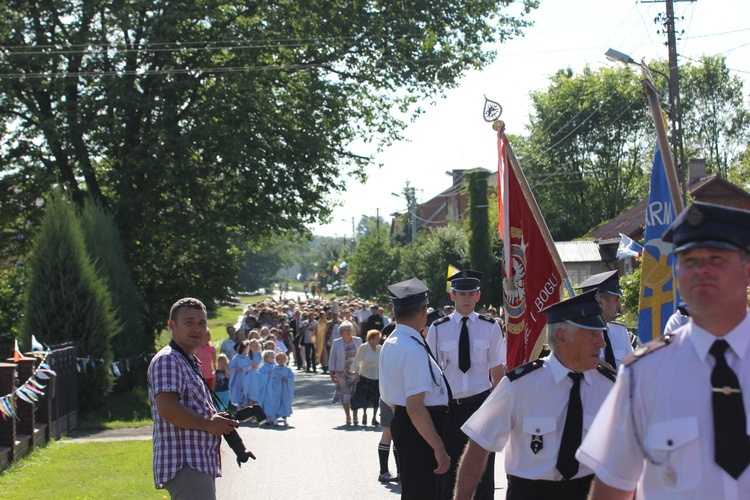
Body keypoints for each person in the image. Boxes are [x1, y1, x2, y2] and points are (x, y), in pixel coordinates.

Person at [579, 201, 750, 499]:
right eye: (689, 261)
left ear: (747, 269)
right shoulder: (643, 374)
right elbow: (612, 487)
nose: (701, 270)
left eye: (715, 258)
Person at [454, 290, 615, 500]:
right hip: (531, 492)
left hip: (589, 491)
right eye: (592, 335)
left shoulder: (610, 387)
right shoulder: (520, 385)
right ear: (562, 337)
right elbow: (478, 448)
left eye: (600, 334)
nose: (601, 343)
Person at [426, 269, 507, 499]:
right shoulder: (439, 328)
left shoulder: (490, 327)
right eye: (462, 294)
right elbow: (432, 375)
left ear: (478, 296)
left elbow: (498, 373)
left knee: (483, 471)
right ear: (452, 296)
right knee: (448, 469)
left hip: (481, 405)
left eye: (471, 293)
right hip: (450, 407)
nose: (467, 298)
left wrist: (498, 412)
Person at [147, 297, 238, 498]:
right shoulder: (168, 360)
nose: (197, 329)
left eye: (201, 323)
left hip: (196, 462)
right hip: (185, 462)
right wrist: (209, 424)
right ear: (172, 325)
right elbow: (168, 408)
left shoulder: (186, 359)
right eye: (189, 323)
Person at [379, 278, 450, 499]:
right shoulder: (412, 348)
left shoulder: (393, 341)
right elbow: (416, 408)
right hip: (420, 426)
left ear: (394, 310)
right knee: (425, 492)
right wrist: (438, 447)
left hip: (406, 423)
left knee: (415, 491)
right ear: (422, 312)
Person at [577, 269, 634, 369]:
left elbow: (633, 369)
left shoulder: (620, 331)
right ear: (601, 303)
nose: (619, 305)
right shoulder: (578, 336)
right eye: (616, 300)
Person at [329, 320, 363, 425]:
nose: (348, 332)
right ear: (341, 332)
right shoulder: (337, 343)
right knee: (345, 395)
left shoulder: (358, 341)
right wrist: (331, 373)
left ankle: (355, 416)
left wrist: (361, 371)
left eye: (350, 330)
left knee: (355, 395)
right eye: (346, 330)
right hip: (341, 372)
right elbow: (332, 358)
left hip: (355, 372)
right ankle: (348, 416)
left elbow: (362, 357)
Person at [352, 329, 383, 426]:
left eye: (379, 339)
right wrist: (356, 373)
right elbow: (356, 361)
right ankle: (364, 415)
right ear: (371, 339)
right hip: (365, 376)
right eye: (376, 339)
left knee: (376, 398)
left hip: (377, 377)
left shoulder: (380, 348)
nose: (378, 341)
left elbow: (382, 362)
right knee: (364, 398)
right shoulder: (364, 347)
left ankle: (374, 417)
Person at [265, 352, 295, 426]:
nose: (281, 360)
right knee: (276, 403)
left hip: (285, 390)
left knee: (285, 403)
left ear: (285, 359)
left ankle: (285, 419)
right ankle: (275, 419)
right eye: (279, 359)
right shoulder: (275, 369)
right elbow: (273, 379)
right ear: (277, 360)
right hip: (278, 390)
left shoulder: (288, 369)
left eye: (282, 359)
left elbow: (292, 378)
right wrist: (279, 379)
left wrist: (287, 379)